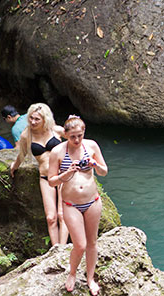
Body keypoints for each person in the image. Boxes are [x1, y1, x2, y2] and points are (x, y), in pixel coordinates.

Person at [49, 115, 107, 295]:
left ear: (84, 133)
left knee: (92, 242)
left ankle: (90, 279)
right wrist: (66, 173)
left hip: (92, 201)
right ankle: (72, 273)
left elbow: (104, 171)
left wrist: (94, 163)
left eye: (80, 135)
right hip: (71, 204)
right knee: (80, 244)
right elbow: (51, 181)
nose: (76, 140)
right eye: (72, 136)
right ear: (65, 134)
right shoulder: (57, 152)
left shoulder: (91, 146)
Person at [9, 103, 69, 246]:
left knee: (62, 214)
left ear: (45, 119)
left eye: (37, 119)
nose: (33, 122)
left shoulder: (55, 130)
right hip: (45, 177)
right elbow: (21, 155)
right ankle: (56, 249)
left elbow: (76, 138)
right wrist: (14, 166)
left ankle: (63, 249)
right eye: (31, 118)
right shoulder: (26, 135)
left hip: (63, 175)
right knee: (50, 217)